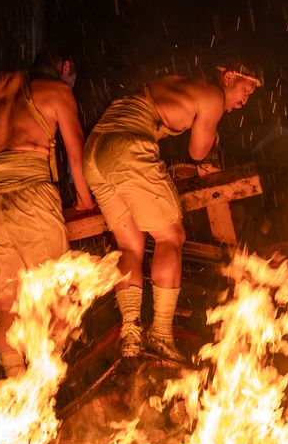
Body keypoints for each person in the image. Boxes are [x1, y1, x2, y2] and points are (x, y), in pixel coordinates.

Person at [83, 60, 261, 360]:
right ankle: (161, 334)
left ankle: (130, 336)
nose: (245, 100)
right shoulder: (213, 96)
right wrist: (214, 134)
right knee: (171, 237)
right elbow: (197, 152)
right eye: (246, 89)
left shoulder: (183, 82)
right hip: (128, 144)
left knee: (131, 244)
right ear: (229, 77)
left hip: (97, 149)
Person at [0, 47, 95, 378]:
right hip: (31, 192)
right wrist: (85, 202)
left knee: (6, 306)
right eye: (73, 77)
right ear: (65, 67)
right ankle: (44, 383)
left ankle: (16, 386)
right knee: (58, 295)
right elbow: (76, 156)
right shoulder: (57, 91)